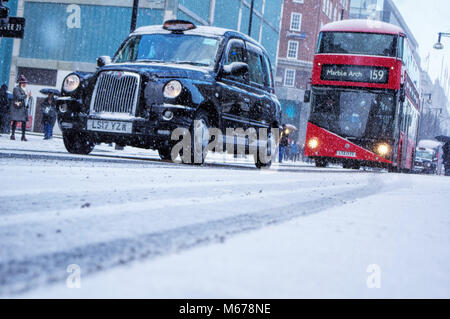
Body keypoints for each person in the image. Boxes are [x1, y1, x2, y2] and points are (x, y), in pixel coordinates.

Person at [10, 75, 31, 141]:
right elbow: (18, 97)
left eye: (25, 83)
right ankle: (13, 134)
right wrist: (26, 95)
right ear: (20, 83)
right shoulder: (16, 89)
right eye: (23, 83)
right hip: (17, 107)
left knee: (24, 122)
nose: (25, 84)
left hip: (23, 108)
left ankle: (23, 135)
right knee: (15, 121)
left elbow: (26, 98)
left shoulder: (25, 90)